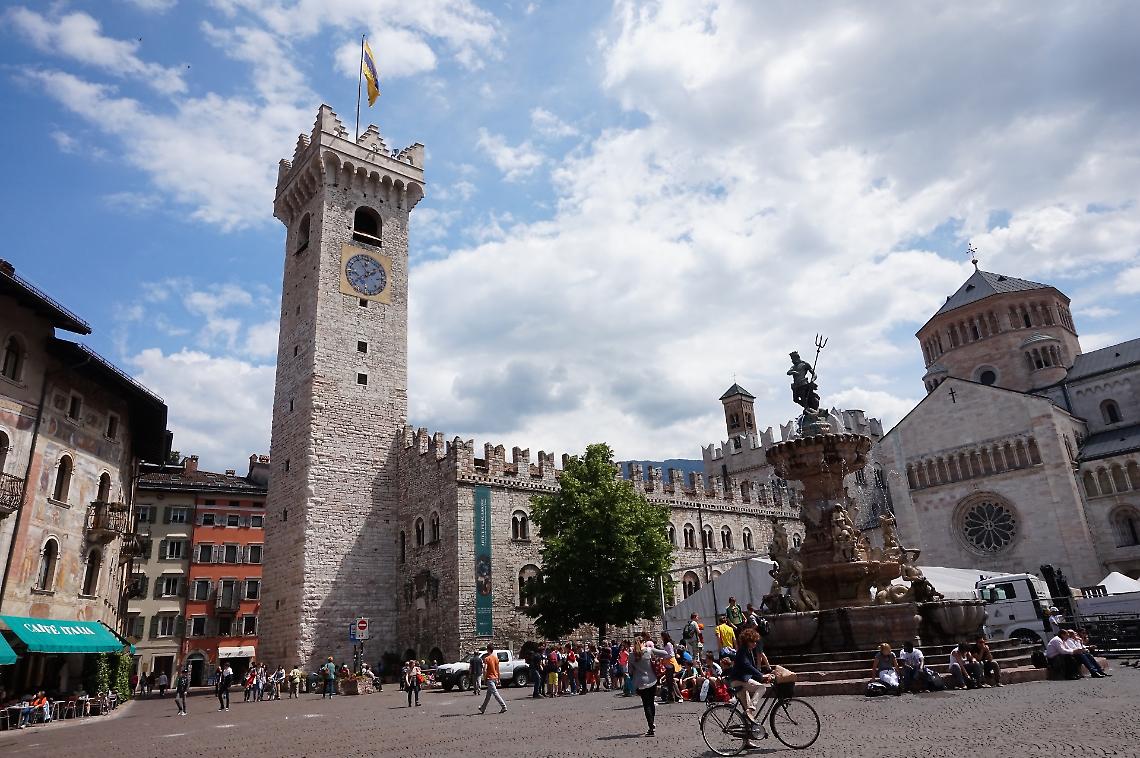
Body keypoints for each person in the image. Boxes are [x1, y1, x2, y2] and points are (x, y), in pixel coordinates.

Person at [727, 628, 771, 749]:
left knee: (748, 715)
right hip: (738, 681)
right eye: (753, 641)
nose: (755, 643)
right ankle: (751, 709)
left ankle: (746, 742)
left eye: (756, 641)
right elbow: (747, 666)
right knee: (761, 688)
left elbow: (751, 669)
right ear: (747, 641)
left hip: (743, 680)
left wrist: (762, 675)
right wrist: (761, 676)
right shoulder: (742, 651)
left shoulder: (748, 650)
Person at [628, 635, 672, 737]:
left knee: (646, 704)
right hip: (652, 679)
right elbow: (665, 653)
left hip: (640, 682)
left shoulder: (631, 655)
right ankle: (652, 723)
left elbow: (630, 671)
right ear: (643, 642)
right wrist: (654, 654)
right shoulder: (648, 650)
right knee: (651, 702)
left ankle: (651, 726)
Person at [477, 644, 507, 714]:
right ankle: (483, 708)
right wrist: (498, 679)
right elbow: (498, 670)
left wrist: (485, 678)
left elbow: (485, 669)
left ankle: (503, 706)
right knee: (488, 695)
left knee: (495, 693)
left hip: (490, 678)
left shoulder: (487, 659)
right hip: (495, 678)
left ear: (488, 650)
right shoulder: (495, 658)